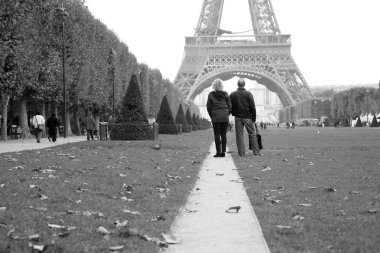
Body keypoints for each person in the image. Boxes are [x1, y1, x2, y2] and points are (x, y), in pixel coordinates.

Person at [230, 78, 261, 156]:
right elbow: (253, 107)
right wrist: (253, 118)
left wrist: (233, 113)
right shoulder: (248, 94)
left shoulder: (232, 94)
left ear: (238, 84)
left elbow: (230, 106)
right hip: (247, 117)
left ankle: (241, 153)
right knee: (252, 134)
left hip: (237, 117)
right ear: (244, 84)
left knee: (239, 135)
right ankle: (256, 152)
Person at [206, 78, 232, 158]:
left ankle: (218, 152)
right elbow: (230, 105)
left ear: (213, 86)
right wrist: (227, 113)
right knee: (223, 134)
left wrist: (211, 115)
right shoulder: (226, 94)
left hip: (215, 116)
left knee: (217, 134)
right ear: (222, 86)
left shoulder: (211, 94)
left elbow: (208, 107)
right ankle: (223, 152)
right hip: (224, 116)